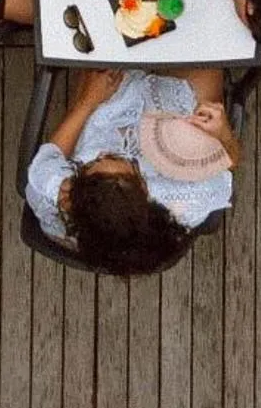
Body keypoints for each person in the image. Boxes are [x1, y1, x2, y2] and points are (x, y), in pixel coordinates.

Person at [25, 67, 244, 275]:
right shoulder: (181, 205)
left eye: (92, 163)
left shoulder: (52, 188)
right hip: (170, 139)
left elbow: (53, 153)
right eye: (126, 162)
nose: (102, 154)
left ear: (71, 191)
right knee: (208, 66)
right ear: (145, 189)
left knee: (97, 68)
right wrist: (223, 133)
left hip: (106, 122)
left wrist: (87, 102)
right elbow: (229, 163)